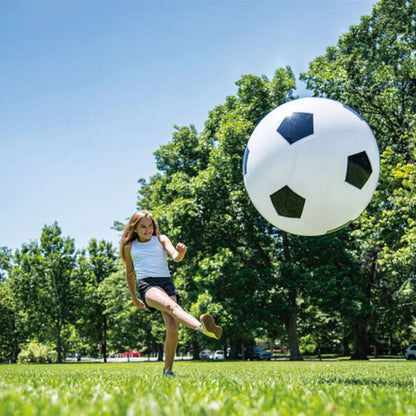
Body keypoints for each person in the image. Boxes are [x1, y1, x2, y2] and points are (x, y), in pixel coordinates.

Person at [120, 210, 222, 377]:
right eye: (143, 227)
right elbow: (130, 274)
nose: (148, 230)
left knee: (173, 327)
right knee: (171, 306)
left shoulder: (161, 239)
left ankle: (167, 371)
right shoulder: (130, 247)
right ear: (135, 228)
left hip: (166, 283)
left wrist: (180, 254)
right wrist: (134, 297)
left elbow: (175, 257)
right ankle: (201, 327)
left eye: (150, 226)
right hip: (147, 285)